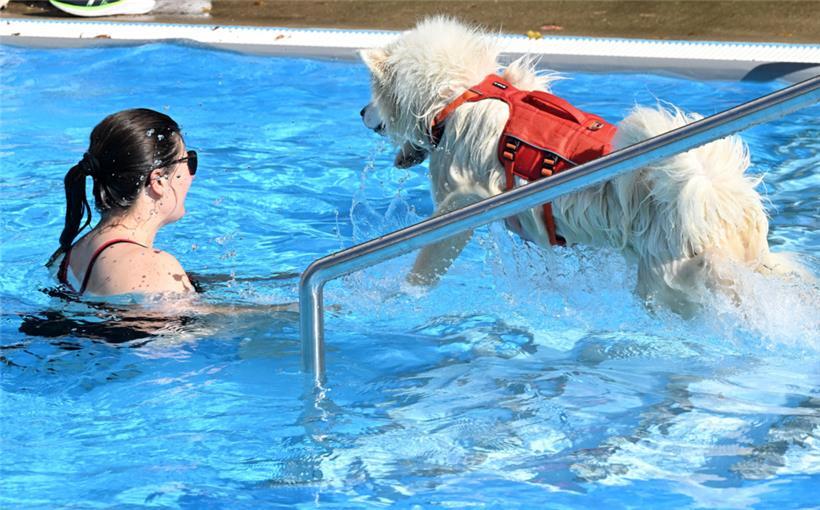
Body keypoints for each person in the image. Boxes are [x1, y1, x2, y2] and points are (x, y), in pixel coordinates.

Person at [47, 108, 197, 296]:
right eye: (189, 162)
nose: (192, 176)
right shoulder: (153, 268)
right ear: (158, 180)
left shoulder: (70, 255)